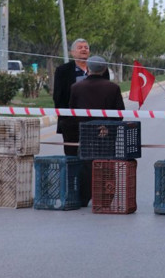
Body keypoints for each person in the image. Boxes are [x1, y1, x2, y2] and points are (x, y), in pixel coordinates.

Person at [69, 56, 126, 205]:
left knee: (85, 164)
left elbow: (72, 112)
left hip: (85, 133)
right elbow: (119, 113)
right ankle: (105, 198)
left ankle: (84, 197)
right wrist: (107, 127)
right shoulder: (113, 88)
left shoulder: (76, 87)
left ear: (88, 68)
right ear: (104, 69)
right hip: (106, 134)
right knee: (106, 164)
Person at [53, 38, 107, 156]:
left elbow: (106, 94)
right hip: (72, 123)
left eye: (86, 47)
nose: (83, 50)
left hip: (96, 122)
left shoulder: (100, 69)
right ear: (72, 52)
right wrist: (66, 120)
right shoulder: (63, 70)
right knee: (72, 156)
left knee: (96, 156)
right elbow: (58, 97)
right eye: (80, 47)